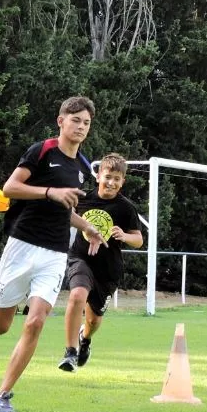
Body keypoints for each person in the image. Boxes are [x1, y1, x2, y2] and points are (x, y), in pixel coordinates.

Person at [0, 95, 105, 412]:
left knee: (35, 322)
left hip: (55, 253)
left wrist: (87, 227)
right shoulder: (42, 151)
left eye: (86, 123)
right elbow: (9, 188)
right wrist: (49, 192)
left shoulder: (83, 168)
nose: (81, 127)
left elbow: (65, 210)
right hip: (22, 245)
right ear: (61, 121)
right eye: (75, 120)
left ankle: (2, 395)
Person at [58, 152, 143, 372]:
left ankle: (85, 339)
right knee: (77, 295)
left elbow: (139, 240)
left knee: (94, 321)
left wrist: (125, 236)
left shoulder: (125, 208)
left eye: (117, 179)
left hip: (107, 270)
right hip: (81, 258)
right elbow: (66, 216)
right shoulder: (83, 198)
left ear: (122, 182)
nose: (111, 182)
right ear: (98, 176)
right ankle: (70, 352)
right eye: (108, 177)